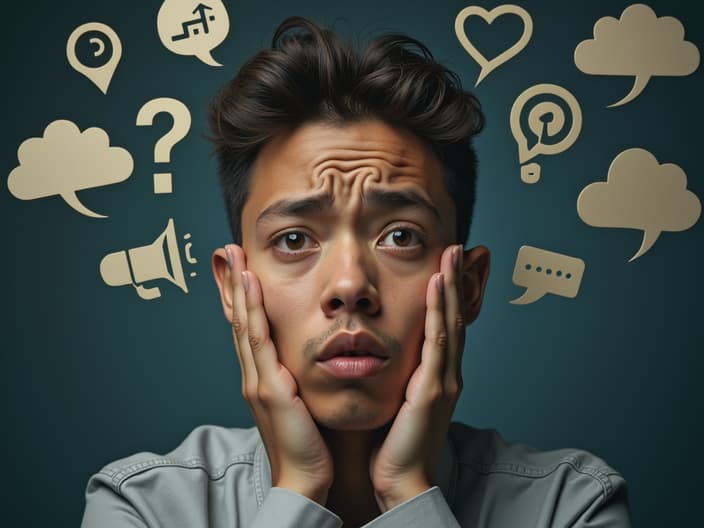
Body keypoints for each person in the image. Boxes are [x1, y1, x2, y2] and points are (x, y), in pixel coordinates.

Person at [81, 17, 630, 527]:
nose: (350, 287)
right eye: (294, 240)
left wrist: (408, 492)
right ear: (233, 287)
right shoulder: (142, 506)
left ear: (467, 286)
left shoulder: (570, 505)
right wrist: (297, 490)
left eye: (401, 236)